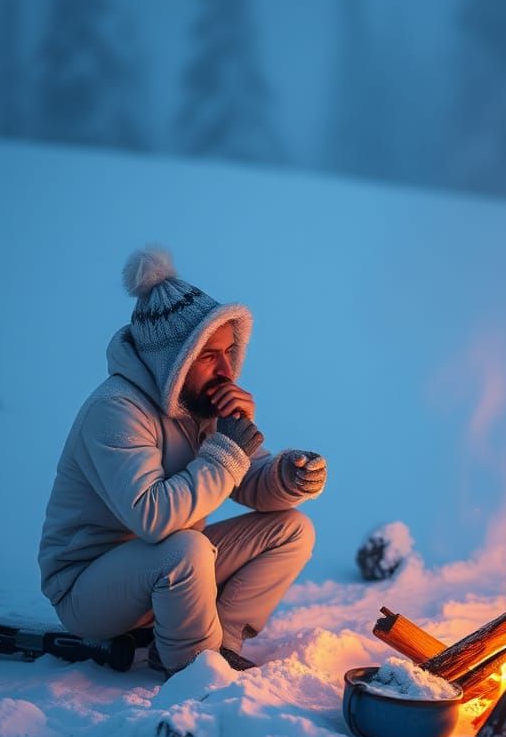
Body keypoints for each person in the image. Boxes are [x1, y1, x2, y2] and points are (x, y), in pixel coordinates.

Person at [38, 246, 325, 678]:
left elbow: (248, 480)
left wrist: (289, 475)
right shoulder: (116, 410)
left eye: (229, 352)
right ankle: (194, 667)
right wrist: (228, 448)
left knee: (292, 528)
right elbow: (153, 518)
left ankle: (223, 642)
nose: (228, 370)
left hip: (168, 571)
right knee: (185, 548)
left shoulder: (199, 404)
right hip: (87, 588)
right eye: (210, 356)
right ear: (172, 360)